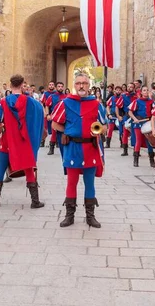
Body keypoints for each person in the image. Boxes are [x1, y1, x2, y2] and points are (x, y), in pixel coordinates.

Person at [51, 73, 107, 228]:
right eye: (78, 83)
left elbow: (105, 127)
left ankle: (90, 216)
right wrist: (68, 130)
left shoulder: (96, 104)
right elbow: (55, 125)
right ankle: (69, 216)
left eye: (84, 83)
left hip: (90, 147)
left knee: (90, 183)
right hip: (73, 148)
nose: (81, 86)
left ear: (89, 86)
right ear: (74, 85)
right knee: (72, 182)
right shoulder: (65, 103)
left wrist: (99, 130)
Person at [0, 74, 45, 208]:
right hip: (24, 141)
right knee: (28, 168)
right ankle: (35, 201)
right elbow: (39, 117)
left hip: (7, 140)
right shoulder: (32, 102)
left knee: (1, 167)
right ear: (22, 85)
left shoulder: (3, 102)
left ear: (10, 86)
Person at [128, 86, 155, 168]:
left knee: (149, 142)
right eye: (144, 90)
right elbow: (130, 112)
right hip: (139, 123)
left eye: (147, 90)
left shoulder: (152, 102)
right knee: (138, 141)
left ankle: (151, 160)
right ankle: (135, 160)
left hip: (148, 123)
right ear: (141, 92)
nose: (146, 92)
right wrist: (135, 119)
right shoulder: (137, 101)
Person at [45, 82, 67, 156]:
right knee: (54, 133)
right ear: (56, 87)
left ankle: (64, 147)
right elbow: (47, 105)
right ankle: (51, 148)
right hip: (54, 117)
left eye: (61, 86)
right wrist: (47, 114)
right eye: (59, 86)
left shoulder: (66, 97)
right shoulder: (52, 96)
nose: (60, 87)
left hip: (64, 118)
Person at [116, 83, 137, 156]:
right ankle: (125, 150)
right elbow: (117, 106)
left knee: (135, 133)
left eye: (131, 87)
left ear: (134, 88)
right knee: (125, 133)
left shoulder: (137, 96)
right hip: (126, 116)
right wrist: (118, 116)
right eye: (128, 86)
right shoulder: (123, 96)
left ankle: (136, 150)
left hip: (135, 116)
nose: (129, 88)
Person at [40, 81, 56, 148]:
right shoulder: (45, 94)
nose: (51, 86)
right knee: (45, 128)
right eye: (50, 85)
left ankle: (54, 142)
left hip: (54, 113)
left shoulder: (56, 94)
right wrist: (44, 112)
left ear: (54, 86)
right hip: (46, 113)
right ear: (48, 86)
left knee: (54, 128)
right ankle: (42, 142)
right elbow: (41, 103)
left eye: (52, 85)